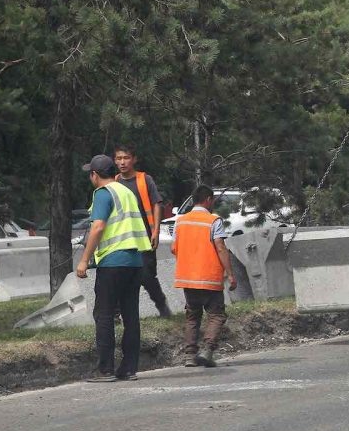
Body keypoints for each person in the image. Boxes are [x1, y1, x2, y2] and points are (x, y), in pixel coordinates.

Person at [75, 154, 153, 382]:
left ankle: (105, 370)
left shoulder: (102, 193)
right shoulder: (126, 191)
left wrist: (84, 259)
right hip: (135, 261)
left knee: (104, 314)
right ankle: (129, 369)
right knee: (130, 316)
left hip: (113, 261)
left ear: (95, 175)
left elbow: (98, 227)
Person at [172, 185, 236, 368]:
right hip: (209, 277)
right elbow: (221, 247)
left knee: (192, 316)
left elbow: (173, 248)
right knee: (216, 315)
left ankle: (190, 356)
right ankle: (208, 350)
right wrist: (230, 274)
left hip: (187, 278)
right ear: (208, 199)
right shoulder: (213, 221)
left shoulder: (181, 221)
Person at [114, 144, 172, 317]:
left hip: (145, 237)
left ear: (134, 159)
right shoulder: (115, 182)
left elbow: (157, 203)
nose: (122, 162)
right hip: (122, 238)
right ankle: (117, 314)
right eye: (119, 158)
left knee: (147, 276)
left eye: (126, 158)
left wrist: (155, 231)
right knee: (119, 275)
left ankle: (162, 307)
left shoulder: (144, 180)